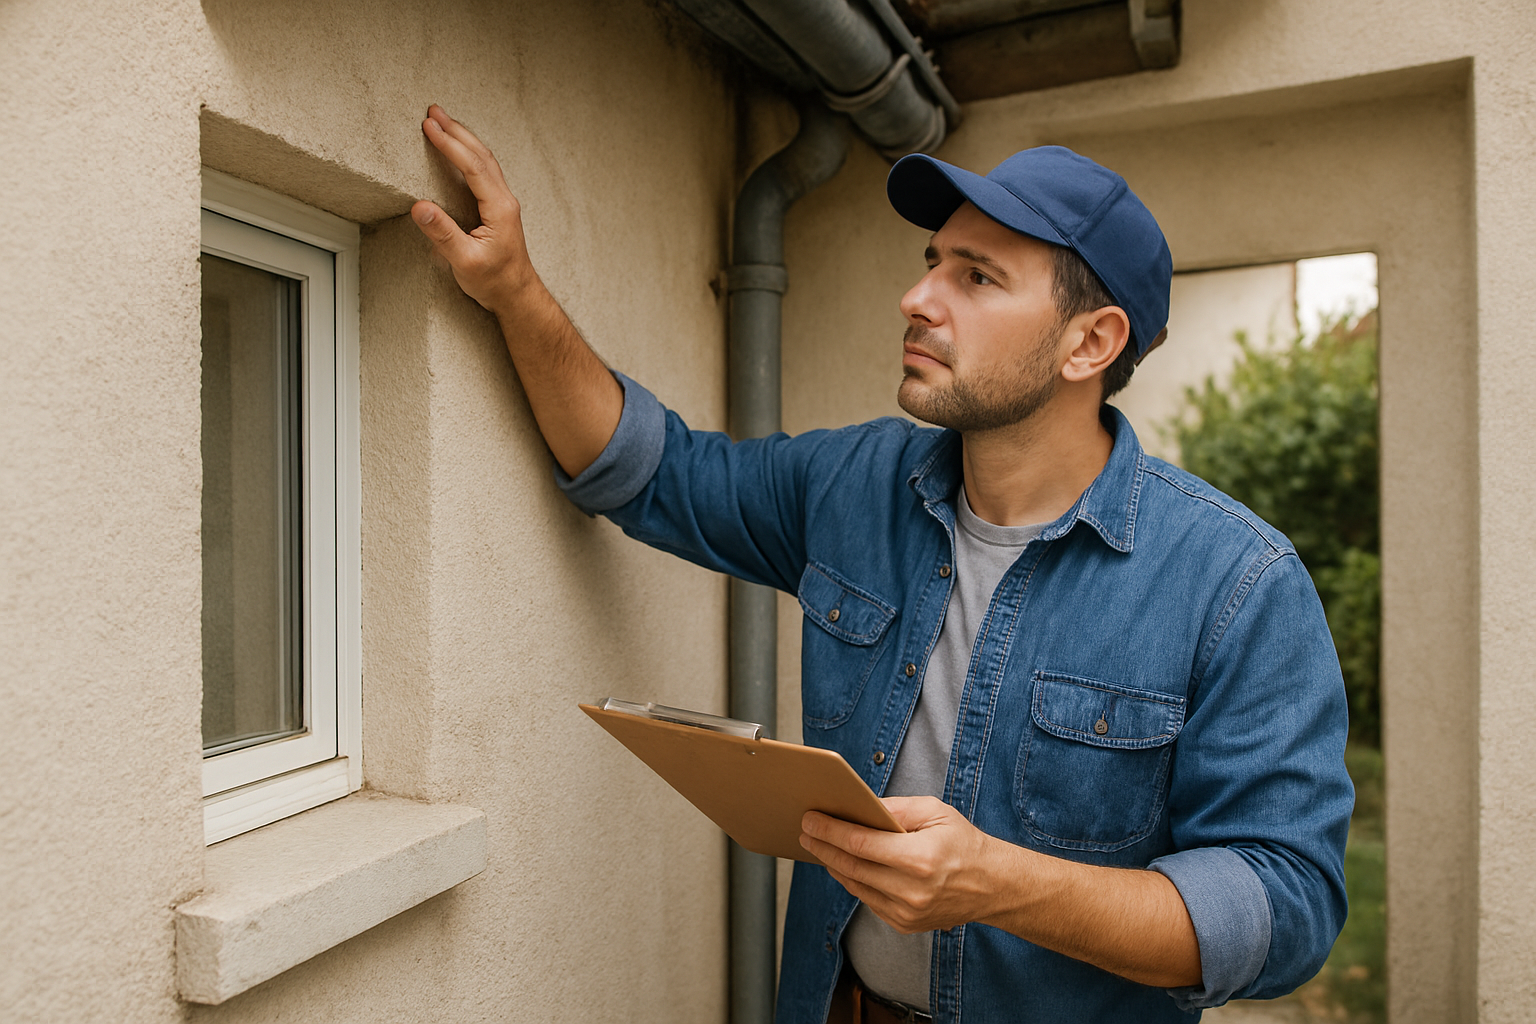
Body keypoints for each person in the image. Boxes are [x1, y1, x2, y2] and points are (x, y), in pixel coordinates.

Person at [410, 104, 1352, 1023]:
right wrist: (515, 290)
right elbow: (648, 472)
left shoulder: (1235, 584)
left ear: (1090, 343)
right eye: (933, 262)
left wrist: (1000, 884)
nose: (918, 298)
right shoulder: (856, 484)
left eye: (978, 278)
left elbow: (1285, 905)